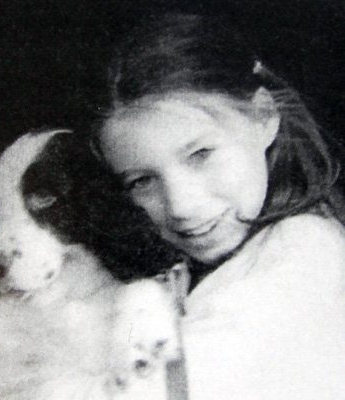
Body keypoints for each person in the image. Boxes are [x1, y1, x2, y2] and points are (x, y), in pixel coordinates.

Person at [90, 13, 345, 400]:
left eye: (201, 154)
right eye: (141, 181)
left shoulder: (304, 249)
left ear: (263, 116)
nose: (180, 205)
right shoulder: (205, 267)